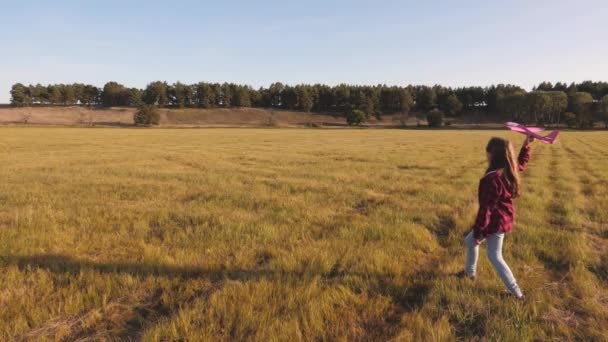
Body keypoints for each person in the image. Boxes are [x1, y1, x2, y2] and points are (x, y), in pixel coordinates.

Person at [460, 135, 534, 300]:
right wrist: (526, 146)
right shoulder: (508, 169)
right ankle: (469, 274)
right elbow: (520, 164)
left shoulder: (491, 179)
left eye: (488, 152)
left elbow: (486, 210)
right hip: (503, 218)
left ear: (492, 155)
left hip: (496, 221)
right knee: (469, 241)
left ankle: (517, 294)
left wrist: (479, 233)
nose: (486, 155)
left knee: (494, 255)